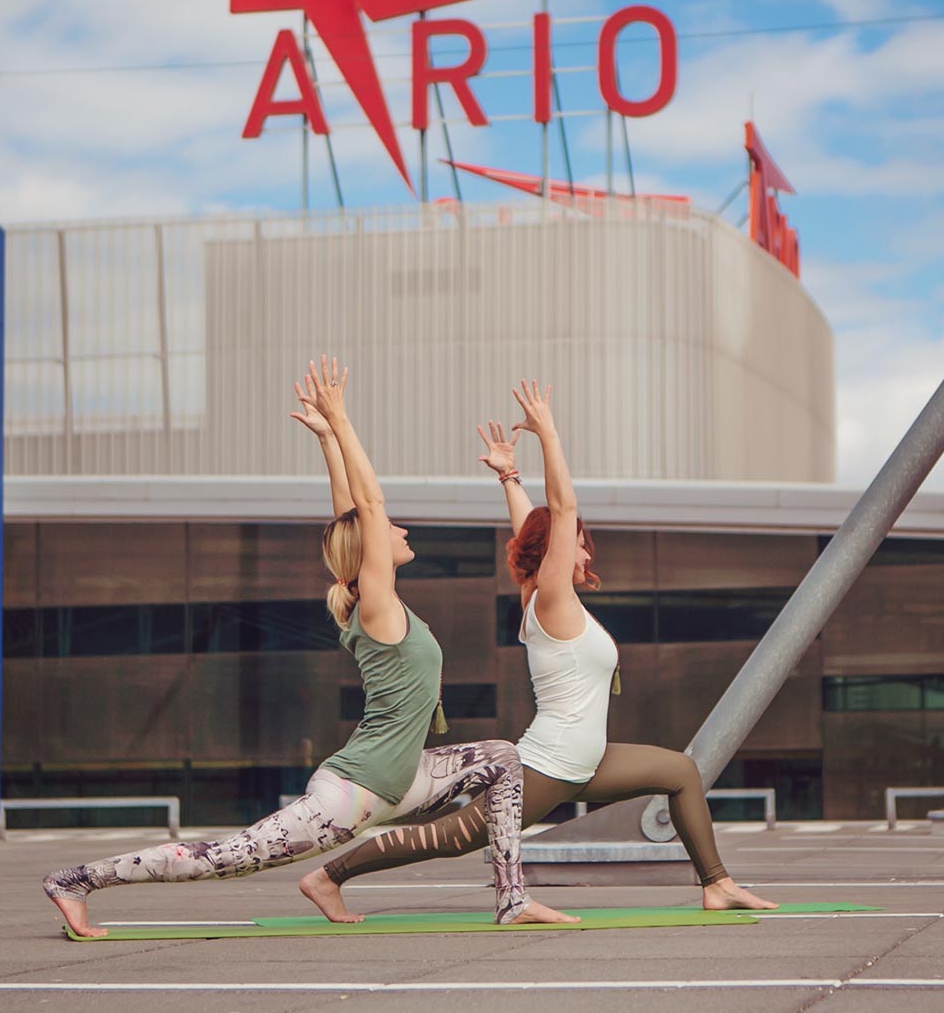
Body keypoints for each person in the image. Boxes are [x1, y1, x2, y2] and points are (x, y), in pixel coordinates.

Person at [42, 359, 574, 936]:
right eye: (391, 530)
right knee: (225, 858)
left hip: (403, 781)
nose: (400, 532)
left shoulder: (375, 602)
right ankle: (76, 880)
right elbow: (368, 513)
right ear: (370, 550)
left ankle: (511, 899)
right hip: (353, 793)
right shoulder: (376, 606)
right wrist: (343, 422)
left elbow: (351, 514)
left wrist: (327, 441)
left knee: (501, 758)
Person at [305, 380, 777, 918]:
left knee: (680, 772)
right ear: (555, 551)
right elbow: (560, 507)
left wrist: (509, 475)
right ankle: (329, 875)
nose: (581, 545)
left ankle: (716, 884)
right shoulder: (552, 600)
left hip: (584, 757)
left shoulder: (542, 597)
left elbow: (530, 526)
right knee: (453, 837)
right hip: (550, 764)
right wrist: (549, 433)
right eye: (576, 539)